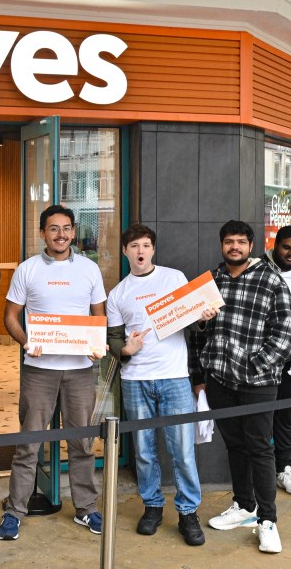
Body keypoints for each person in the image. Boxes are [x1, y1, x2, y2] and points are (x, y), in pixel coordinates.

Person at [0, 205, 107, 541]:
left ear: (74, 232)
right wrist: (26, 341)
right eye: (53, 229)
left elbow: (98, 317)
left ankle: (86, 509)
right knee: (28, 444)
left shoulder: (89, 269)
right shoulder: (27, 270)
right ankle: (15, 511)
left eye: (66, 228)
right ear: (43, 233)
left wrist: (96, 343)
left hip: (79, 371)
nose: (60, 235)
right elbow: (10, 317)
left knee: (82, 444)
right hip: (39, 371)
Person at [189, 220, 291, 554]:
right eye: (229, 241)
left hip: (258, 381)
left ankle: (267, 520)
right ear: (222, 244)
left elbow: (286, 331)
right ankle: (244, 505)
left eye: (240, 241)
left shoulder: (270, 278)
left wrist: (256, 365)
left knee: (260, 448)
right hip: (220, 379)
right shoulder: (213, 280)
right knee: (234, 445)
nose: (234, 246)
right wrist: (203, 321)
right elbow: (200, 332)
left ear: (251, 245)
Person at [106, 224, 213, 546]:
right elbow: (112, 338)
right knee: (143, 451)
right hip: (135, 379)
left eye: (146, 245)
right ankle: (152, 506)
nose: (140, 251)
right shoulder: (118, 294)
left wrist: (203, 316)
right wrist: (125, 349)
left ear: (153, 249)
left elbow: (193, 321)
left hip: (175, 377)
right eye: (134, 246)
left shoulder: (174, 278)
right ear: (125, 251)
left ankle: (188, 512)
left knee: (182, 450)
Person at [258, 225, 291, 496]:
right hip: (262, 356)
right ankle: (262, 471)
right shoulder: (257, 268)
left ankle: (283, 468)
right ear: (276, 245)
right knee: (261, 416)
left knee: (286, 415)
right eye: (286, 247)